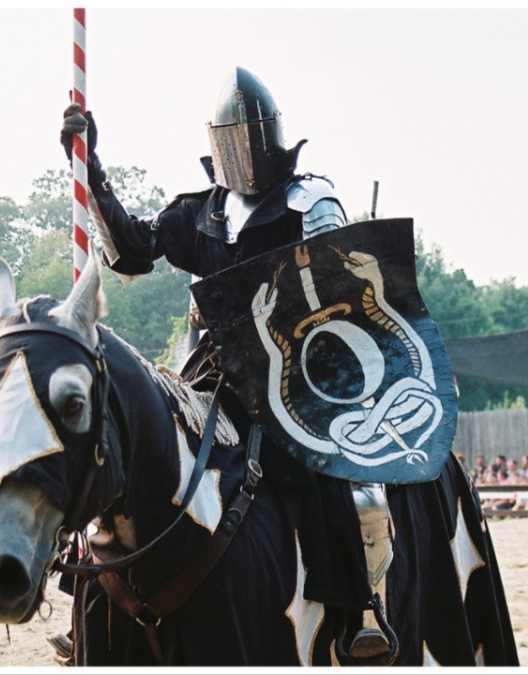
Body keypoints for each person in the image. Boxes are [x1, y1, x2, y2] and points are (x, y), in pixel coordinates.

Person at [58, 66, 402, 662]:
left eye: (252, 137)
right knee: (124, 457)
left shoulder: (311, 203)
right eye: (230, 140)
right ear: (215, 145)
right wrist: (88, 166)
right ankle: (85, 598)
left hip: (290, 376)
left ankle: (359, 610)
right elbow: (130, 253)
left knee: (338, 483)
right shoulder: (201, 213)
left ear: (274, 136)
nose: (242, 153)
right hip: (206, 377)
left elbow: (337, 294)